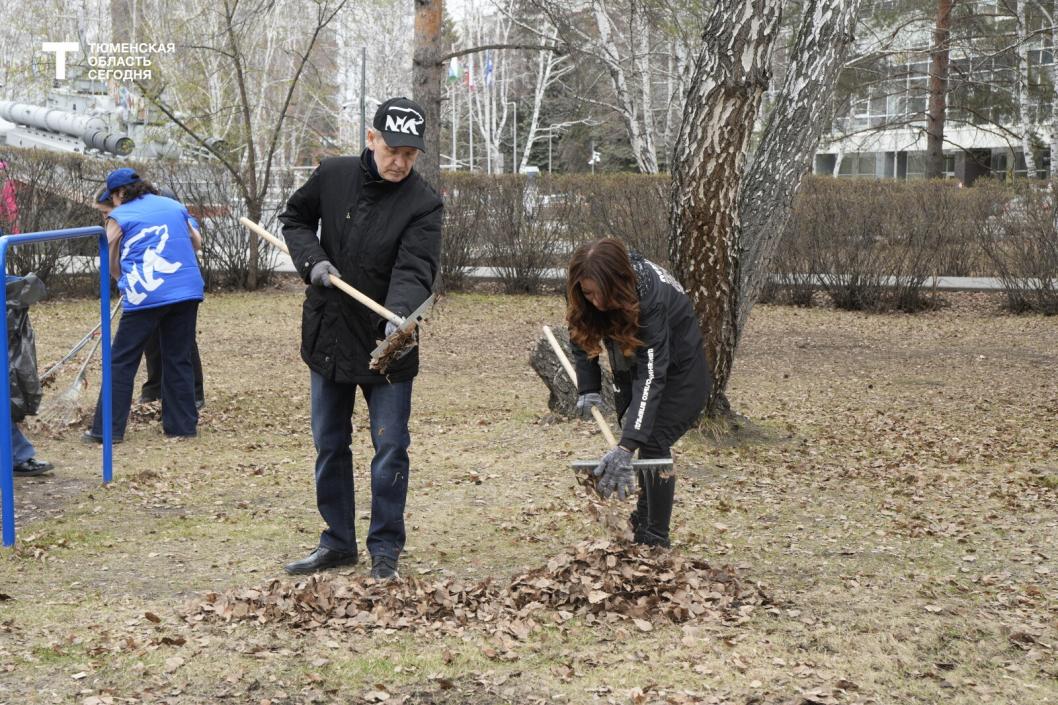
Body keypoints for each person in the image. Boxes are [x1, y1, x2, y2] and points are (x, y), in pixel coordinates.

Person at [279, 97, 442, 580]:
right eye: (392, 150)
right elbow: (295, 219)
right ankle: (337, 542)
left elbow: (415, 268)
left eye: (410, 154)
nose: (400, 162)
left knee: (390, 447)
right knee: (330, 443)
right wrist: (313, 262)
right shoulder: (333, 175)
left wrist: (399, 315)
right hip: (329, 332)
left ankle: (385, 549)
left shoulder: (424, 203)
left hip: (387, 345)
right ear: (371, 139)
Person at [567, 238, 710, 548]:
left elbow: (652, 375)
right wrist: (589, 388)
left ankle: (656, 537)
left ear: (617, 283)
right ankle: (643, 522)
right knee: (641, 435)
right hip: (634, 364)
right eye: (587, 293)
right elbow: (580, 332)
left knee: (653, 439)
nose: (594, 302)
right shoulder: (585, 287)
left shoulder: (649, 298)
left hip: (682, 373)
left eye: (599, 293)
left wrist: (626, 447)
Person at [83, 168, 204, 443]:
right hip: (187, 290)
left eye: (113, 197)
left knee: (122, 360)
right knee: (178, 357)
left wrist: (122, 281)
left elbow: (111, 259)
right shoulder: (174, 206)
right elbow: (196, 243)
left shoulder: (119, 216)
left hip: (146, 293)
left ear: (119, 193)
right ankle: (182, 426)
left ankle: (106, 431)